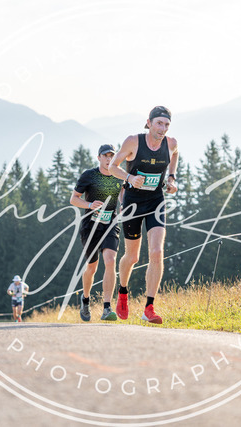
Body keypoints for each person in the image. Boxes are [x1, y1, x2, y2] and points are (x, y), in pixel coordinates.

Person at [108, 106, 178, 324]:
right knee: (132, 257)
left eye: (166, 125)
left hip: (156, 201)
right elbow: (112, 167)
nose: (163, 129)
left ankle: (149, 308)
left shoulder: (171, 143)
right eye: (159, 123)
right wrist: (129, 178)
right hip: (132, 203)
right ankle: (122, 292)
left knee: (156, 252)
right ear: (149, 123)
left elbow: (175, 154)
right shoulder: (133, 142)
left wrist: (172, 178)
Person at [70, 144, 123, 322]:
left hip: (110, 223)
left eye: (111, 156)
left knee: (110, 260)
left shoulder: (119, 175)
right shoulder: (89, 175)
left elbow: (123, 194)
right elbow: (74, 199)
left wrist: (124, 204)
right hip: (90, 225)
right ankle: (85, 299)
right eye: (105, 156)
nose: (108, 159)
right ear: (98, 157)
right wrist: (89, 205)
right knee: (92, 266)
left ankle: (107, 308)